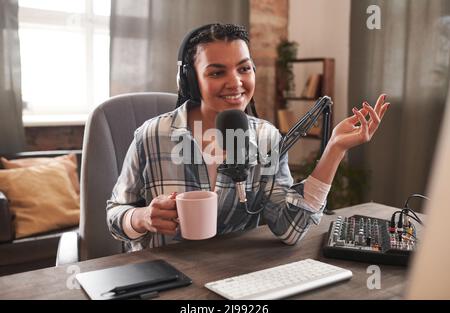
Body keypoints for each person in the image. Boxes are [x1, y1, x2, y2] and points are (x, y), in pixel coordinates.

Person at [106, 23, 390, 251]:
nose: (236, 82)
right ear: (190, 81)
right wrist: (141, 218)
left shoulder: (267, 138)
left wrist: (335, 150)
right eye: (217, 72)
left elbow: (291, 229)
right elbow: (115, 213)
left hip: (236, 281)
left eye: (244, 68)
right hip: (166, 278)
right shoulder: (151, 135)